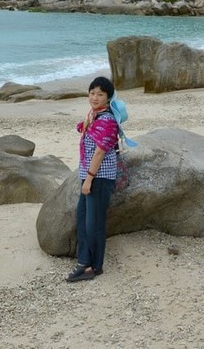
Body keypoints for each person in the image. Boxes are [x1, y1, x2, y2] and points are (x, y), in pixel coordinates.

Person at [66, 76, 119, 282]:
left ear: (108, 97)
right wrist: (86, 123)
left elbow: (99, 153)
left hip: (99, 177)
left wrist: (88, 180)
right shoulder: (95, 116)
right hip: (88, 176)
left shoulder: (107, 121)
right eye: (92, 93)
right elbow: (82, 129)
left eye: (100, 94)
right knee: (83, 220)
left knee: (94, 224)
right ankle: (84, 261)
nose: (95, 97)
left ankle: (94, 267)